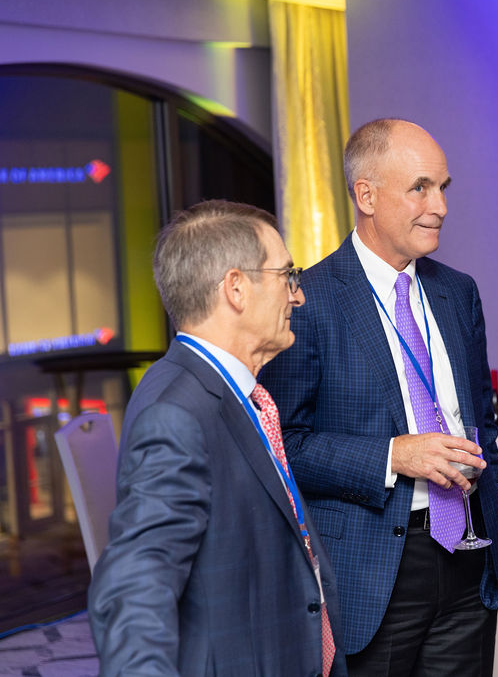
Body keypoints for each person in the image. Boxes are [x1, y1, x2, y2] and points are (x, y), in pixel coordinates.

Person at [258, 118, 498, 676]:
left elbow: (480, 416)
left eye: (443, 187)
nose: (440, 206)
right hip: (373, 568)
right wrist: (393, 455)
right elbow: (284, 446)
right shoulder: (308, 301)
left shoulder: (458, 292)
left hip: (468, 553)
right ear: (367, 195)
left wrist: (495, 515)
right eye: (420, 188)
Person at [88, 200, 343, 676]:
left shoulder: (231, 390)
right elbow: (136, 582)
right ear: (236, 288)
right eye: (287, 275)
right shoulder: (176, 412)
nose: (298, 296)